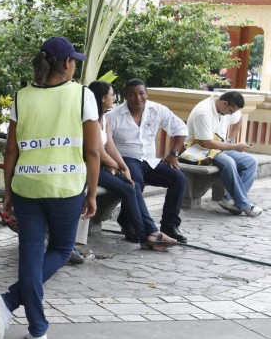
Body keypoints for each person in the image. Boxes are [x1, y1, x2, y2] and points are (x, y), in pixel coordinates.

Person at [0, 36, 100, 339]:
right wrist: (92, 194)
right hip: (66, 189)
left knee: (30, 254)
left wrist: (9, 189)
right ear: (65, 63)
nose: (75, 64)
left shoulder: (22, 97)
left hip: (26, 187)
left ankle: (37, 326)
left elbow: (10, 150)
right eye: (73, 60)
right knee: (62, 250)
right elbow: (92, 152)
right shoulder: (82, 96)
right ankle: (12, 303)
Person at [89, 80, 177, 250]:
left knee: (133, 185)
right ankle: (147, 235)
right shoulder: (91, 120)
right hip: (90, 168)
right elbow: (98, 153)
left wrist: (123, 167)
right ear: (101, 98)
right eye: (111, 95)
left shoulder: (103, 119)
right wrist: (118, 166)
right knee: (129, 187)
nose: (114, 98)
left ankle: (150, 232)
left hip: (104, 166)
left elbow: (111, 148)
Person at [106, 78, 188, 243]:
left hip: (150, 161)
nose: (138, 98)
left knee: (178, 178)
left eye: (141, 93)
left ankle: (169, 226)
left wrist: (174, 153)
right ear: (125, 96)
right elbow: (104, 144)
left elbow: (181, 129)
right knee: (135, 181)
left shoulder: (157, 110)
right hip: (126, 160)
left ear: (146, 93)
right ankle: (130, 224)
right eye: (132, 94)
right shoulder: (113, 116)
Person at [186, 91, 262, 216]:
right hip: (199, 150)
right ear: (225, 103)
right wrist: (234, 146)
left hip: (219, 147)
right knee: (229, 162)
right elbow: (207, 143)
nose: (231, 114)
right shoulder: (204, 112)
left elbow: (239, 118)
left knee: (251, 162)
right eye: (231, 111)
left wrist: (231, 140)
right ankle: (244, 204)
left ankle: (229, 199)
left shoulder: (225, 108)